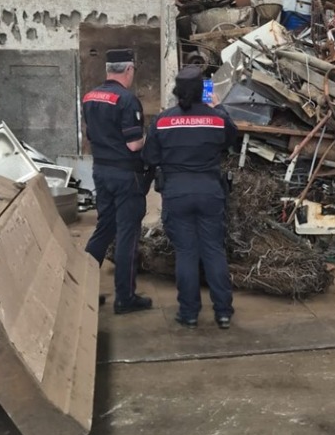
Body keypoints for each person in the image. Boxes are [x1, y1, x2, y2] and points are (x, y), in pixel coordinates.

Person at [143, 65, 238, 329]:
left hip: (176, 192)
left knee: (186, 253)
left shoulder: (163, 121)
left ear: (176, 91)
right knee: (213, 250)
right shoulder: (216, 119)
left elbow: (150, 156)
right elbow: (231, 138)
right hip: (210, 191)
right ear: (202, 91)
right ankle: (223, 313)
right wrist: (218, 108)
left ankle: (189, 313)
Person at [82, 48, 152, 315]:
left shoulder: (90, 96)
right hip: (125, 176)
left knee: (104, 228)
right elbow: (134, 144)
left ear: (108, 69)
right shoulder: (127, 100)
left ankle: (84, 289)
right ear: (129, 70)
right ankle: (125, 298)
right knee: (126, 235)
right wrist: (151, 138)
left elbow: (91, 134)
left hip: (101, 171)